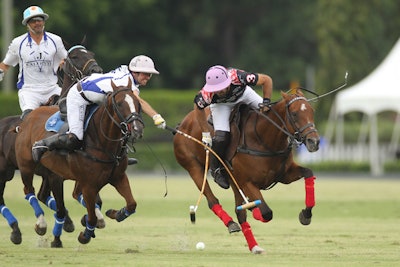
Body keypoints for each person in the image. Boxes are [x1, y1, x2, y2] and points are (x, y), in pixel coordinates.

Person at [32, 55, 166, 163]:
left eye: (150, 74)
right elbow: (138, 101)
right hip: (80, 96)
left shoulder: (128, 75)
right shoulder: (126, 83)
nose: (148, 77)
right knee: (76, 137)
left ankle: (119, 155)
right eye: (145, 74)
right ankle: (42, 144)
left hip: (98, 97)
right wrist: (156, 116)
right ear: (135, 73)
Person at [194, 65, 273, 189]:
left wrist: (266, 102)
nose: (219, 91)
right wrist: (205, 133)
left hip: (244, 95)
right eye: (216, 89)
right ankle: (216, 169)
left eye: (221, 87)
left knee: (270, 116)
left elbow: (266, 80)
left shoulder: (239, 77)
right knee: (220, 137)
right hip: (221, 105)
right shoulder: (206, 94)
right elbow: (198, 108)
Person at [0, 6, 67, 119]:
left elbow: (66, 59)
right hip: (30, 91)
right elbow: (5, 65)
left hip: (52, 88)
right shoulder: (18, 43)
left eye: (39, 20)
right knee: (28, 118)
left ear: (43, 21)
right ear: (27, 24)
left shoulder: (55, 40)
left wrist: (64, 63)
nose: (37, 23)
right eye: (33, 21)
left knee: (71, 110)